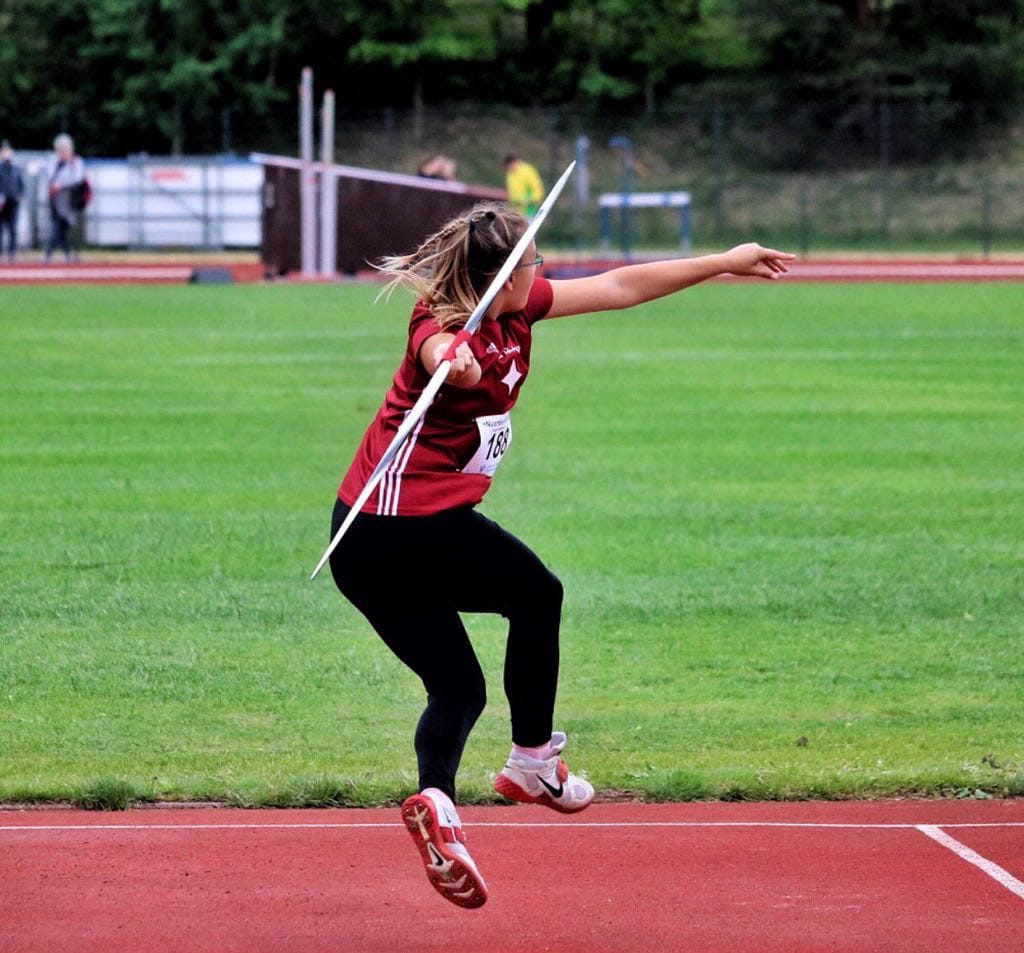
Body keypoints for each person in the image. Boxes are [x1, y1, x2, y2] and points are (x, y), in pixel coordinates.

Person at [325, 203, 795, 909]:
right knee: (536, 594)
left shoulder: (521, 309)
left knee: (459, 687)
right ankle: (533, 761)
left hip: (377, 540)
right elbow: (437, 351)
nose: (544, 270)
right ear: (502, 277)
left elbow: (620, 285)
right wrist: (450, 359)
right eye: (534, 261)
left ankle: (439, 807)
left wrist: (722, 260)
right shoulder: (440, 319)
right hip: (393, 528)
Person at [44, 133, 86, 263]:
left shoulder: (76, 162)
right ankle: (63, 254)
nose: (62, 151)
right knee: (57, 228)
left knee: (64, 229)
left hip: (71, 201)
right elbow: (48, 176)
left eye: (64, 148)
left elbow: (78, 178)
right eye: (60, 149)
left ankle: (56, 254)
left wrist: (61, 184)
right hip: (56, 201)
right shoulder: (54, 163)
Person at [0, 140, 25, 262]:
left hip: (13, 202)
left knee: (12, 229)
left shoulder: (16, 168)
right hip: (1, 203)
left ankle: (12, 253)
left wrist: (19, 195)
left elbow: (21, 184)